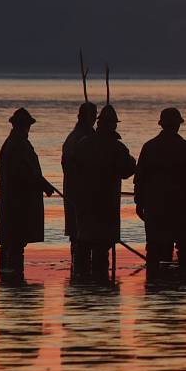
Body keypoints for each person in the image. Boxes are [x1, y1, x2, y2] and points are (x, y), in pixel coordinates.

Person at [74, 105, 136, 279]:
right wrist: (131, 159)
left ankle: (82, 280)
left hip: (85, 204)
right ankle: (100, 282)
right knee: (102, 248)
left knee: (84, 244)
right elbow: (128, 170)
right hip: (106, 206)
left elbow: (72, 167)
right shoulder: (117, 148)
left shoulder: (83, 144)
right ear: (113, 126)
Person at [134, 108, 186, 274]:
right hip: (180, 208)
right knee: (184, 248)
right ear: (177, 125)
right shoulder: (185, 148)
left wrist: (139, 202)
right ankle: (180, 279)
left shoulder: (149, 147)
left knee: (155, 248)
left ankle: (155, 282)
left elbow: (139, 178)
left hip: (155, 207)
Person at [0, 108, 54, 279]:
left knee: (10, 243)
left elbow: (27, 172)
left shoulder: (14, 143)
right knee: (14, 243)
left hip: (13, 202)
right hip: (17, 204)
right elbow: (24, 174)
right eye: (26, 125)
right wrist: (43, 184)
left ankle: (7, 278)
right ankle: (13, 277)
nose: (27, 129)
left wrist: (42, 183)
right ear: (21, 126)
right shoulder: (17, 144)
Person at [61, 102, 97, 266]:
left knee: (80, 236)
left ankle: (80, 272)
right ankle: (80, 272)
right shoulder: (80, 139)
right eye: (94, 115)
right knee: (81, 236)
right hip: (80, 195)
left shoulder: (82, 137)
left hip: (78, 194)